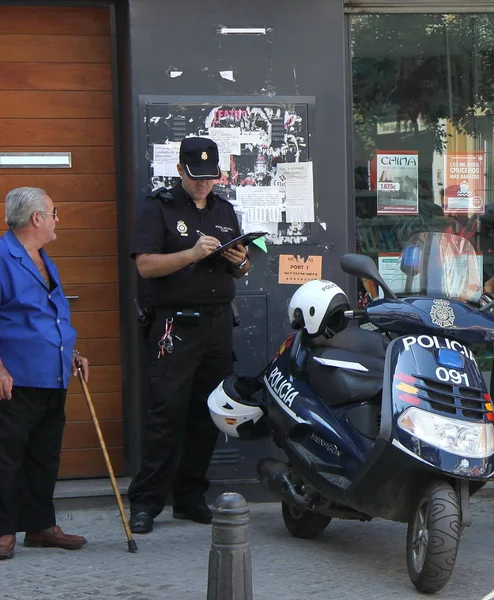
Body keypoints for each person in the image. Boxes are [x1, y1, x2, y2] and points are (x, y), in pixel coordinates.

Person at [128, 137, 250, 534]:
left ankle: (190, 497)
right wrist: (191, 254)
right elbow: (145, 266)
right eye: (196, 177)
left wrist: (240, 262)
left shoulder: (226, 210)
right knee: (166, 414)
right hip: (174, 326)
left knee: (207, 414)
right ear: (180, 171)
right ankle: (146, 503)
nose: (203, 184)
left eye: (210, 177)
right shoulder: (157, 209)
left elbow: (241, 270)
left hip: (217, 325)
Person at [0, 187, 90, 560]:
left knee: (44, 453)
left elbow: (50, 315)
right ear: (37, 218)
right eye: (54, 213)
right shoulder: (3, 257)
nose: (57, 220)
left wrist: (72, 352)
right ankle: (3, 530)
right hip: (16, 378)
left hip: (52, 374)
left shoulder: (42, 257)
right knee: (6, 456)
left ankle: (40, 525)